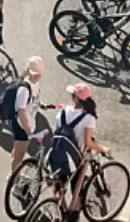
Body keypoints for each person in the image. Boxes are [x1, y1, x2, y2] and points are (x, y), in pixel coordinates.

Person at [47, 84, 106, 215]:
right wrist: (103, 149)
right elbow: (88, 143)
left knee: (60, 182)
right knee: (77, 184)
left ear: (76, 98)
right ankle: (73, 211)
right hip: (74, 160)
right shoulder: (88, 118)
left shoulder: (62, 112)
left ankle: (60, 207)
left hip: (57, 154)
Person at [4, 55, 46, 175]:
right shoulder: (24, 89)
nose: (36, 77)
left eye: (39, 74)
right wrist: (27, 130)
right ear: (28, 71)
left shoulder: (34, 84)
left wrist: (40, 105)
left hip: (25, 124)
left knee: (18, 151)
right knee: (19, 155)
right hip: (22, 126)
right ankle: (14, 178)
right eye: (34, 74)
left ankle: (14, 171)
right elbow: (21, 111)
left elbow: (32, 100)